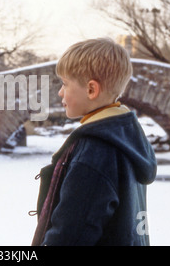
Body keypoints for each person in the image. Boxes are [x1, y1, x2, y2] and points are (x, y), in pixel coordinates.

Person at [32, 38, 157, 246]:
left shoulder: (94, 153)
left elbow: (69, 237)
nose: (60, 92)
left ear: (91, 89)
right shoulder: (127, 139)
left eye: (64, 84)